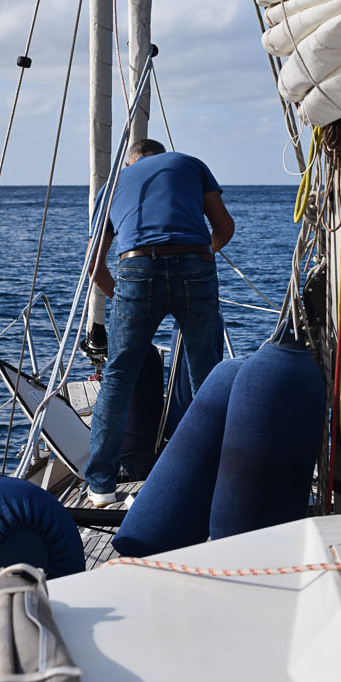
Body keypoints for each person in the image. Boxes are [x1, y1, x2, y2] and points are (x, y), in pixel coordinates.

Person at [83, 136, 235, 495]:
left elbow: (94, 262)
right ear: (162, 157)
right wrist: (197, 255)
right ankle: (212, 475)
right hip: (193, 261)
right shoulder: (190, 163)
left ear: (130, 162)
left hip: (136, 268)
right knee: (205, 374)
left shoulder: (114, 184)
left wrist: (120, 296)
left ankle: (101, 486)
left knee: (118, 379)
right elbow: (224, 229)